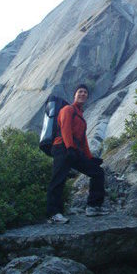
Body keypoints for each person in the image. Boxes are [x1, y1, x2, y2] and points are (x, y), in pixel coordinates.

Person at [46, 84, 109, 223]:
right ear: (74, 95)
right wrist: (69, 147)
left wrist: (91, 158)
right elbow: (65, 129)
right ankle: (53, 214)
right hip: (62, 147)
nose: (83, 94)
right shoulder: (67, 109)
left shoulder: (81, 118)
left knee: (97, 172)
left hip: (73, 150)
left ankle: (93, 206)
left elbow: (83, 140)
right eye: (80, 91)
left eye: (85, 92)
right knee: (58, 179)